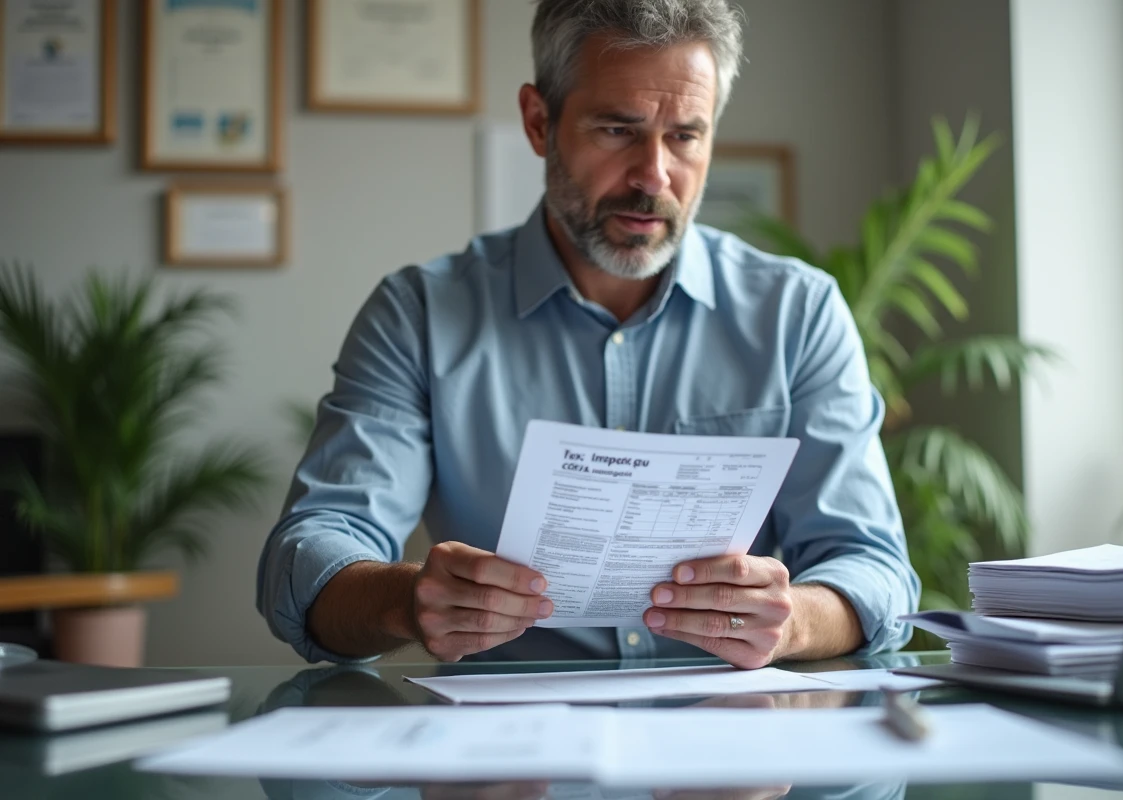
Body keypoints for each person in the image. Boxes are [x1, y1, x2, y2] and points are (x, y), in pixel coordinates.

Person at [257, 0, 919, 669]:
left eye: (686, 136)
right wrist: (406, 600)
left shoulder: (798, 313)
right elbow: (307, 556)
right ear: (540, 122)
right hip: (507, 754)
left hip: (735, 754)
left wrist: (794, 622)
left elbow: (875, 571)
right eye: (617, 130)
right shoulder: (420, 315)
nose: (654, 177)